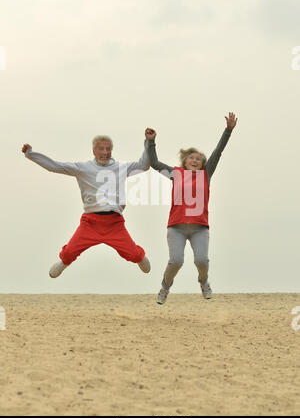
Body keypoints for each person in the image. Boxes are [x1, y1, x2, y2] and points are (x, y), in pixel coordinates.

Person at [22, 133, 151, 278]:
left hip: (114, 224)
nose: (105, 152)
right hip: (90, 223)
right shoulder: (83, 168)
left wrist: (149, 141)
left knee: (133, 254)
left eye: (108, 149)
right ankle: (62, 263)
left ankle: (140, 257)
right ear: (94, 151)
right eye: (101, 149)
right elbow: (55, 166)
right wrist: (30, 154)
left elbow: (144, 165)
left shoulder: (121, 167)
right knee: (69, 253)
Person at [145, 113, 237, 304]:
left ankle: (203, 282)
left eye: (199, 159)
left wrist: (228, 130)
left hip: (199, 228)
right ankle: (165, 288)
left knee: (201, 261)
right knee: (176, 261)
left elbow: (217, 152)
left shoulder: (206, 174)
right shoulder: (175, 174)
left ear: (203, 164)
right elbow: (154, 163)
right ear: (184, 162)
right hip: (176, 227)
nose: (195, 160)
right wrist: (150, 141)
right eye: (191, 158)